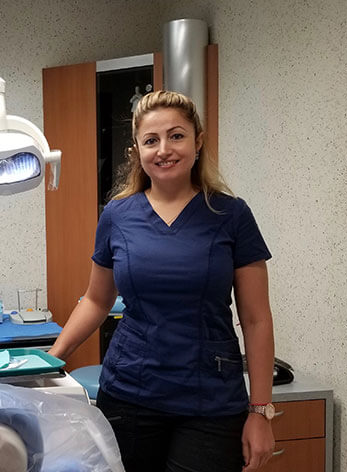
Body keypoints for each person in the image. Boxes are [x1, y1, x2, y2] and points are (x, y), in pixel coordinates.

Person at [48, 90, 276, 472]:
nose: (164, 149)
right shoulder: (118, 216)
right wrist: (50, 359)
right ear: (136, 149)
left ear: (197, 141)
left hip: (211, 403)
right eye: (151, 140)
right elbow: (96, 300)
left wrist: (261, 411)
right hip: (130, 395)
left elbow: (256, 319)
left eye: (176, 135)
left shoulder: (230, 215)